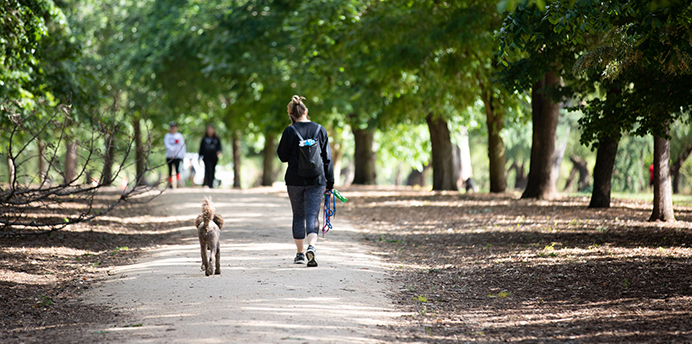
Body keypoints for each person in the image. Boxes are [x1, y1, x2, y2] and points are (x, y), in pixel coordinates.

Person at [277, 95, 334, 267]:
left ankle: (300, 254)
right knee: (311, 215)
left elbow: (282, 156)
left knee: (298, 215)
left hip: (294, 179)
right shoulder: (320, 130)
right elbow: (327, 159)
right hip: (317, 180)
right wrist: (329, 184)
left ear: (291, 114)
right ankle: (312, 246)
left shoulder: (289, 131)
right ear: (306, 111)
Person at [164, 122, 186, 188]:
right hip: (169, 156)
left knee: (177, 170)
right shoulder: (167, 136)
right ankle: (170, 183)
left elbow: (183, 146)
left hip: (178, 156)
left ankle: (178, 182)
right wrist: (172, 148)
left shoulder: (179, 136)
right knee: (170, 170)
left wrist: (183, 155)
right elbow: (166, 145)